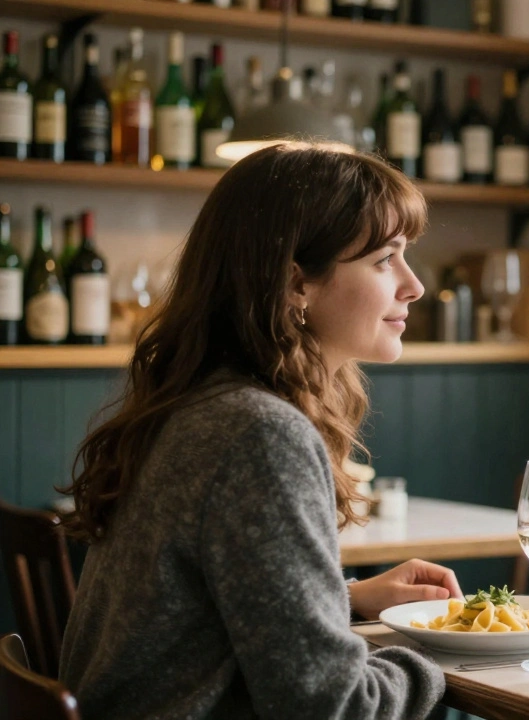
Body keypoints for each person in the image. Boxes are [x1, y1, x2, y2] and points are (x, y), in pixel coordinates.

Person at [58, 143, 461, 719]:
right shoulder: (260, 434)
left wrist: (343, 600)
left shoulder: (200, 407)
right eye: (384, 259)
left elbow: (196, 621)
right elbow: (332, 707)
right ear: (297, 284)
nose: (414, 285)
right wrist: (442, 654)